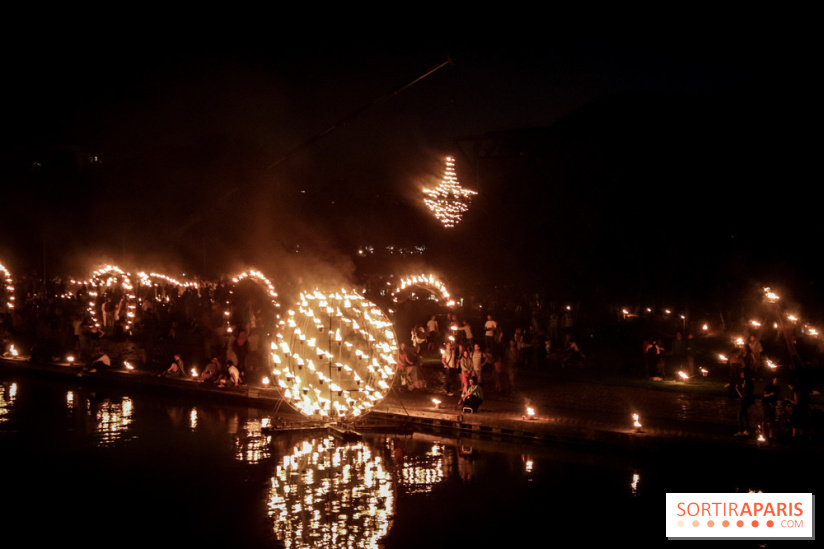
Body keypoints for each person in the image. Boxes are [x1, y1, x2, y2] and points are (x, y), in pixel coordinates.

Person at [734, 370, 754, 436]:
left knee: (739, 416)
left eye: (742, 374)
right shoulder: (748, 382)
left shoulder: (747, 382)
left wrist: (737, 389)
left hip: (745, 401)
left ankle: (741, 431)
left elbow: (743, 395)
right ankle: (746, 431)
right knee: (745, 415)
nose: (741, 375)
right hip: (747, 400)